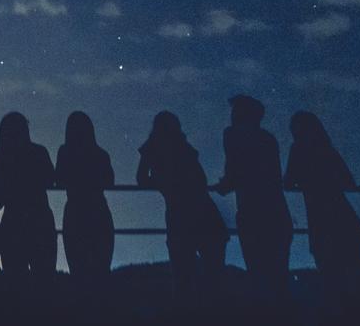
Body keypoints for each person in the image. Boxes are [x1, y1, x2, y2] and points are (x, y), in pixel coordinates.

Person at [136, 111, 227, 294]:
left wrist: (163, 184)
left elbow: (141, 178)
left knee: (183, 276)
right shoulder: (184, 147)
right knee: (213, 276)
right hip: (205, 213)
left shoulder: (153, 147)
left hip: (179, 216)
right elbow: (201, 180)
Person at [213, 95, 293, 296]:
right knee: (278, 276)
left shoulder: (232, 135)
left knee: (258, 273)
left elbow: (234, 171)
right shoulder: (268, 139)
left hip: (252, 213)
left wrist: (224, 186)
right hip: (277, 212)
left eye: (235, 111)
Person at [283, 112, 360, 278]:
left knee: (329, 266)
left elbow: (287, 183)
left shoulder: (298, 149)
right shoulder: (327, 150)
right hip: (342, 212)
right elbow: (349, 182)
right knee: (355, 263)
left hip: (318, 215)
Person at [0, 112, 57, 283]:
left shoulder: (1, 156)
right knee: (44, 276)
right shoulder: (39, 152)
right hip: (40, 218)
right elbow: (51, 179)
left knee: (14, 278)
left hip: (13, 221)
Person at [55, 111, 114, 281]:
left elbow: (58, 179)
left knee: (78, 267)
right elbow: (109, 181)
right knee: (101, 267)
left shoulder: (65, 152)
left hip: (75, 212)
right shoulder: (101, 154)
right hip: (99, 211)